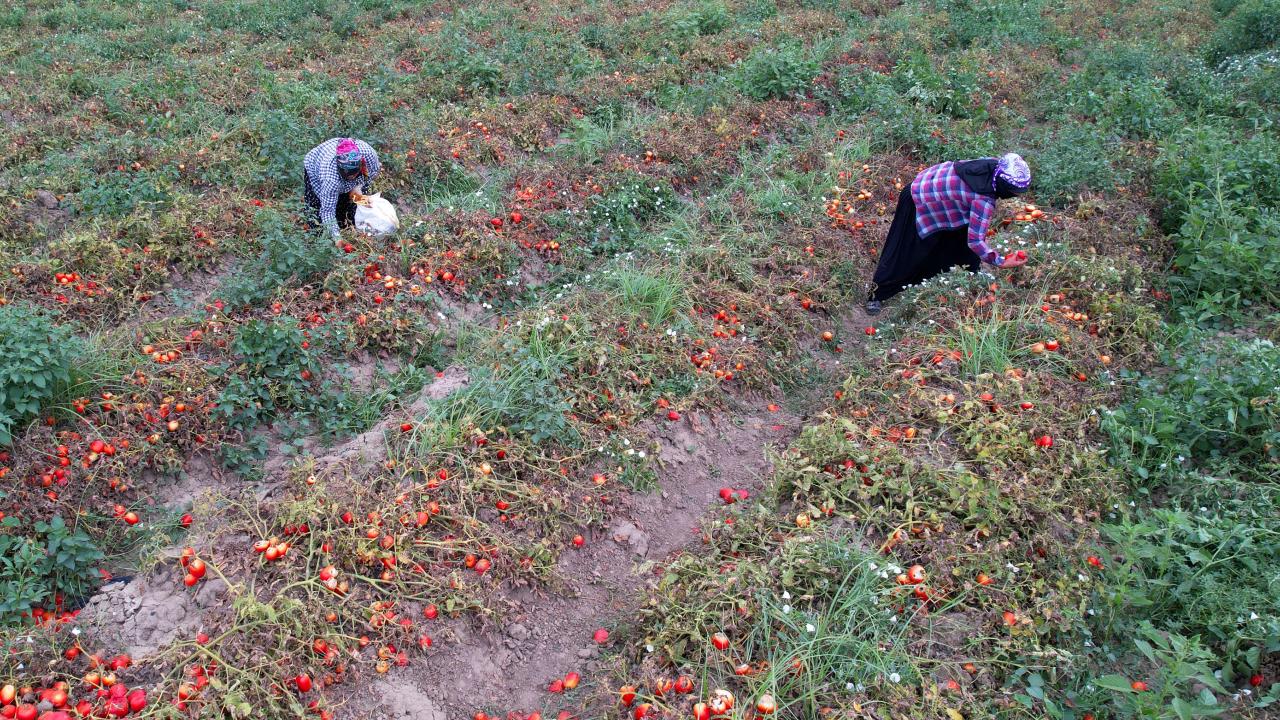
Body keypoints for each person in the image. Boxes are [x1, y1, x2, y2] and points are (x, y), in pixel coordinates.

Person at [866, 153, 1031, 315]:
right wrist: (1001, 261)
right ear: (1003, 185)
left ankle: (966, 278)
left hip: (938, 192)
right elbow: (976, 241)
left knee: (961, 245)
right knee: (905, 251)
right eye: (1014, 191)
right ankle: (877, 294)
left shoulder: (994, 165)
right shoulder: (983, 199)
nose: (1015, 195)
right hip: (918, 198)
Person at [303, 137, 382, 240]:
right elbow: (327, 211)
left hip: (354, 175)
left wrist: (358, 187)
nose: (351, 177)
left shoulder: (368, 155)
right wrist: (337, 239)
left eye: (353, 173)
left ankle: (350, 225)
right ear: (339, 166)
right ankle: (316, 237)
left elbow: (374, 172)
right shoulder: (330, 178)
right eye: (348, 173)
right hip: (314, 167)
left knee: (355, 205)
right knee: (317, 208)